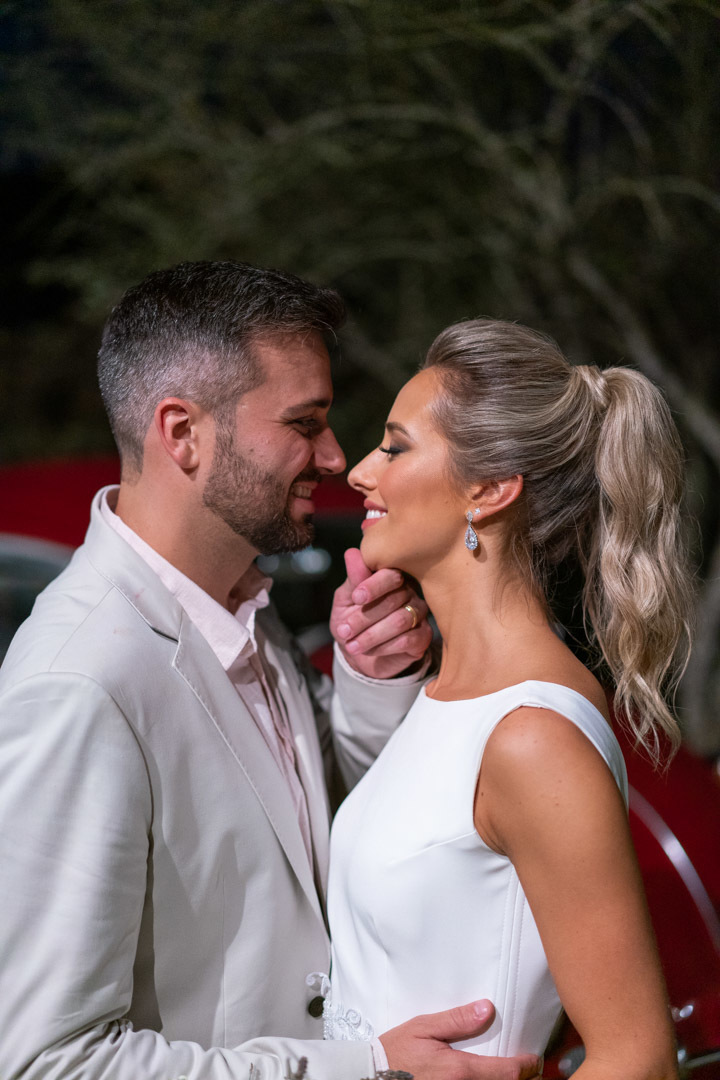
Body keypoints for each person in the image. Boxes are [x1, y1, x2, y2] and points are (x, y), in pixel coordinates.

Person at [0, 264, 542, 1080]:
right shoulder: (79, 685)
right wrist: (363, 1070)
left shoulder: (242, 612)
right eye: (304, 423)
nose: (334, 457)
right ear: (181, 433)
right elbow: (49, 1062)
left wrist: (368, 679)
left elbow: (307, 838)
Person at [326, 318, 692, 1079]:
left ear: (488, 491)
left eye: (395, 447)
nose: (361, 471)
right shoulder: (449, 694)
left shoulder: (530, 736)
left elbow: (640, 1060)